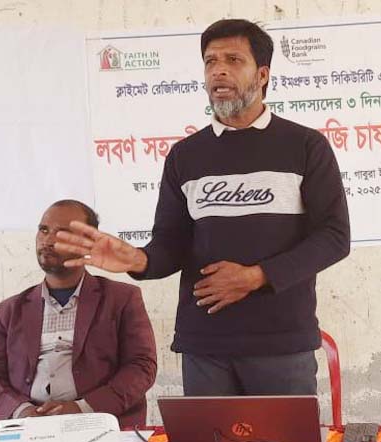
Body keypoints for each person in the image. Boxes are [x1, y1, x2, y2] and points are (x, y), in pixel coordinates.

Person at [55, 19, 349, 396]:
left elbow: (334, 237)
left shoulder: (305, 147)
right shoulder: (186, 156)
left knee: (284, 439)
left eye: (233, 60)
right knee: (206, 439)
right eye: (211, 61)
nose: (218, 71)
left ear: (262, 75)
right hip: (204, 345)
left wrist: (256, 276)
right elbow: (172, 244)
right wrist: (138, 260)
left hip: (281, 342)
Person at [0, 199, 157, 428]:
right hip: (29, 431)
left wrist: (83, 409)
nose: (48, 240)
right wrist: (22, 412)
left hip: (102, 426)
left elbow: (142, 367)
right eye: (44, 230)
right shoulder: (9, 310)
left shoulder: (121, 299)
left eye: (63, 233)